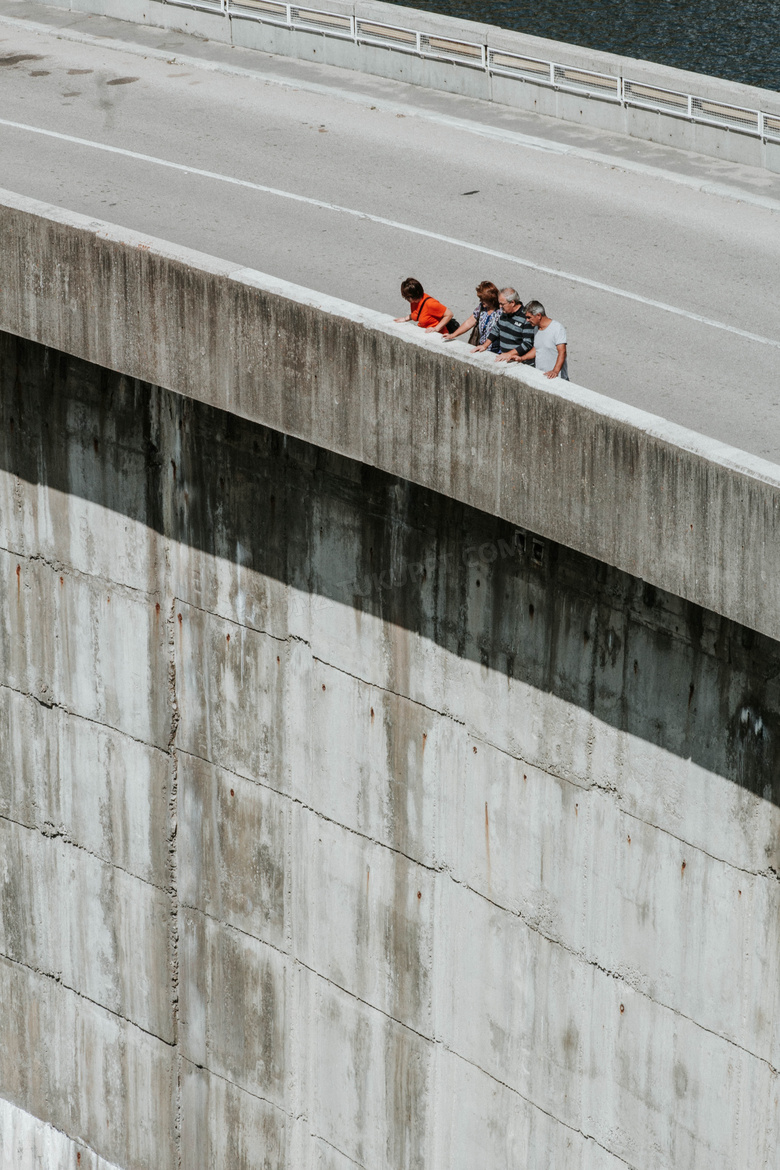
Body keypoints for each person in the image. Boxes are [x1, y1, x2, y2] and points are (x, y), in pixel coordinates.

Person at [509, 300, 569, 380]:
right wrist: (522, 358)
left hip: (556, 378)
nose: (527, 320)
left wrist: (555, 371)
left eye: (529, 317)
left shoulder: (557, 328)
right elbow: (537, 349)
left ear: (538, 315)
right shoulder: (536, 329)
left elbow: (562, 352)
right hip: (542, 376)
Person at [472, 288, 534, 360]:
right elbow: (496, 329)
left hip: (519, 360)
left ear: (512, 303)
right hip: (505, 357)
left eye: (502, 304)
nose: (500, 307)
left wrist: (509, 354)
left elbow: (527, 343)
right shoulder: (505, 313)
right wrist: (485, 345)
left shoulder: (526, 317)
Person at [443, 281, 501, 350]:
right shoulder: (482, 308)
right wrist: (453, 335)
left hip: (497, 351)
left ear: (491, 299)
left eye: (483, 299)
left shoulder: (501, 311)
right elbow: (469, 322)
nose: (480, 301)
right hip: (482, 347)